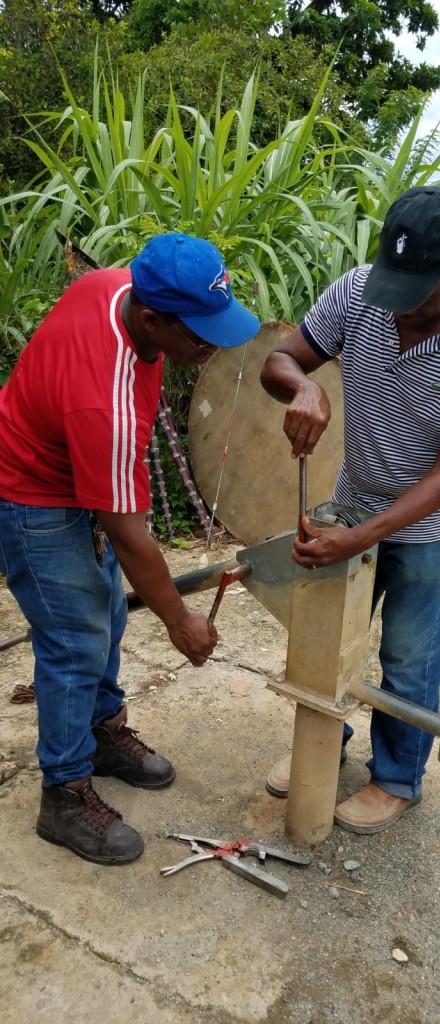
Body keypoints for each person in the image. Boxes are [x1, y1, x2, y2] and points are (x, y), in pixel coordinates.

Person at [260, 185, 440, 834]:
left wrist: (362, 540)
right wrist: (302, 389)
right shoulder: (359, 293)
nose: (398, 309)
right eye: (393, 283)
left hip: (431, 524)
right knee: (327, 638)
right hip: (353, 502)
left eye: (417, 292)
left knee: (408, 656)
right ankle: (327, 742)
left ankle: (397, 778)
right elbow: (279, 361)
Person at [0, 233, 259, 864]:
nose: (212, 345)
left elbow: (122, 514)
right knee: (74, 638)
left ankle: (100, 730)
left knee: (108, 612)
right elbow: (127, 529)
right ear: (152, 320)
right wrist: (180, 620)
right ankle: (63, 793)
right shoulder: (105, 400)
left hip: (79, 466)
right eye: (200, 334)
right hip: (33, 488)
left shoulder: (118, 285)